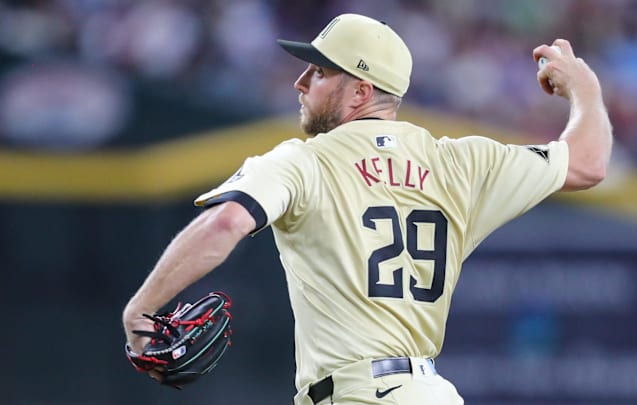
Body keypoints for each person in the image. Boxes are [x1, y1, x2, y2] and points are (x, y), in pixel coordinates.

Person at [123, 13, 612, 405]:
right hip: (430, 393)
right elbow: (588, 164)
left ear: (360, 91)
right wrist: (584, 87)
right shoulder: (463, 161)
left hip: (355, 394)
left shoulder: (302, 160)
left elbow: (226, 221)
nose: (300, 82)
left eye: (318, 71)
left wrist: (141, 309)